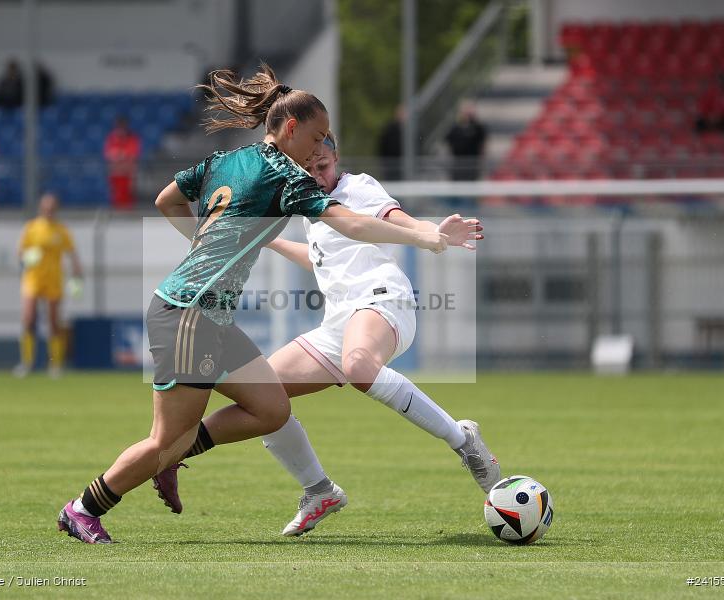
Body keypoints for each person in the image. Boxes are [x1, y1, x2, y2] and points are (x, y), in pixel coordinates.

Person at [56, 64, 449, 544]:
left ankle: (172, 460)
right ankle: (82, 509)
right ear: (289, 128)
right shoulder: (286, 175)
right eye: (317, 135)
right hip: (189, 312)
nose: (321, 147)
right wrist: (424, 238)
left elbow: (166, 200)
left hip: (210, 314)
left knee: (272, 409)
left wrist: (202, 245)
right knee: (167, 439)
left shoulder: (226, 159)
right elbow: (354, 224)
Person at [152, 133, 499, 536]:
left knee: (359, 367)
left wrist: (433, 230)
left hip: (383, 301)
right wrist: (272, 241)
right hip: (339, 322)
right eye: (310, 168)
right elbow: (318, 260)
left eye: (324, 166)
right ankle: (319, 491)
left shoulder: (359, 187)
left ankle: (463, 440)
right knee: (265, 395)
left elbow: (396, 219)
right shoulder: (310, 208)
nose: (317, 175)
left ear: (337, 159)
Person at [15, 193, 83, 379]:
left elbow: (73, 255)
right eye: (46, 207)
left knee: (54, 323)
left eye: (52, 207)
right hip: (33, 279)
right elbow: (20, 253)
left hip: (54, 280)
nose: (49, 210)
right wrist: (27, 257)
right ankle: (27, 363)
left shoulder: (61, 231)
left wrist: (77, 277)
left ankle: (55, 365)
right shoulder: (32, 228)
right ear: (41, 208)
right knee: (29, 319)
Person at [104, 116, 141, 209]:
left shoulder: (132, 139)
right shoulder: (111, 138)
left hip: (127, 175)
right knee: (116, 199)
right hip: (115, 174)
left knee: (128, 199)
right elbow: (109, 155)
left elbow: (132, 156)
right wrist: (121, 156)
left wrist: (119, 156)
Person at [444, 101, 488, 180]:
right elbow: (449, 141)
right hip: (458, 165)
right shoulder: (455, 128)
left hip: (472, 165)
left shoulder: (477, 128)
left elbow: (482, 143)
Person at [378, 105, 405, 181]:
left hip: (404, 166)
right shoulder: (389, 129)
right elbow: (383, 146)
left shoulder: (410, 130)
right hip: (391, 166)